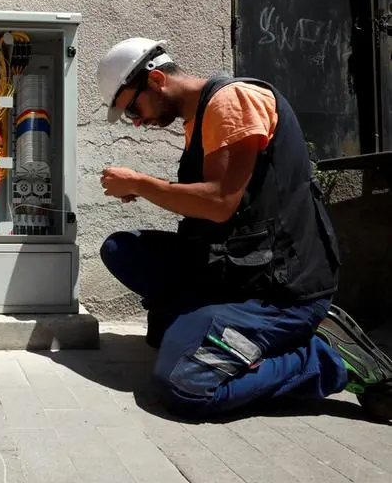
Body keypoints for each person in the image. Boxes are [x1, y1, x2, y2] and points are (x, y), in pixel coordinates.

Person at [95, 37, 392, 421]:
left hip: (280, 290)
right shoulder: (199, 119)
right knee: (122, 250)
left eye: (133, 109)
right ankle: (191, 327)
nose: (136, 121)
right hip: (237, 269)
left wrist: (140, 183)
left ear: (156, 81)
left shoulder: (233, 102)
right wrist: (146, 189)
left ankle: (326, 357)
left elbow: (220, 202)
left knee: (183, 386)